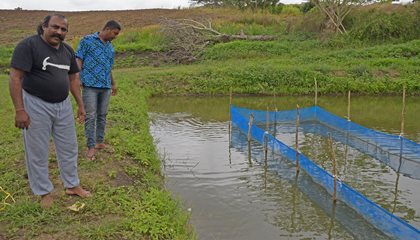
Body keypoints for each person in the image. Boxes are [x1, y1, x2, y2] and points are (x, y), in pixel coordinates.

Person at [9, 14, 91, 208]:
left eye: (63, 30)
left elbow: (73, 79)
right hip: (36, 103)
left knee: (69, 147)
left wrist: (80, 104)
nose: (59, 32)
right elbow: (15, 78)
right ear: (44, 26)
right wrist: (20, 110)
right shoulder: (28, 46)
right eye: (55, 27)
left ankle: (72, 185)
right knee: (37, 150)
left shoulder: (67, 51)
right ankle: (44, 191)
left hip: (62, 105)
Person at [75, 20, 121, 160]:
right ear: (107, 29)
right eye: (115, 33)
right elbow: (79, 60)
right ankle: (90, 147)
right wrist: (77, 78)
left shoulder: (110, 48)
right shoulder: (87, 41)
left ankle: (100, 142)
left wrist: (113, 84)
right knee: (90, 116)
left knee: (102, 115)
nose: (115, 36)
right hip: (90, 86)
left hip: (105, 86)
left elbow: (108, 67)